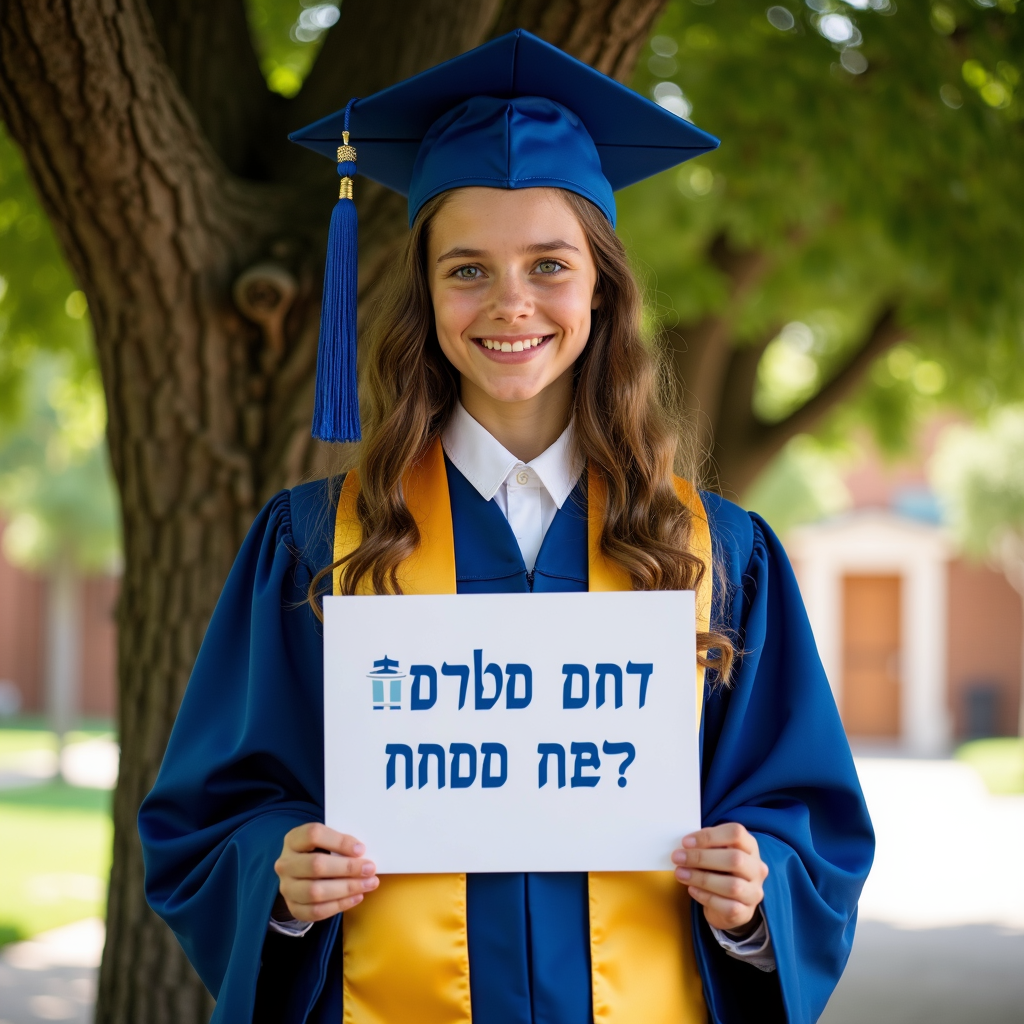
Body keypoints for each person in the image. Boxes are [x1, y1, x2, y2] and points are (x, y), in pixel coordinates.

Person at [139, 30, 873, 1024]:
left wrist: (755, 894)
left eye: (549, 264)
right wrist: (277, 878)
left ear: (603, 286)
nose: (511, 302)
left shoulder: (718, 552)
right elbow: (208, 817)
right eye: (468, 270)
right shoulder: (318, 543)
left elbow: (806, 823)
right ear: (424, 291)